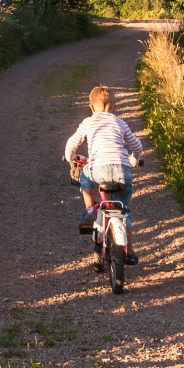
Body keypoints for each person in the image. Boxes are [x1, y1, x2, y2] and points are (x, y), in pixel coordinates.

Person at [63, 85, 143, 264]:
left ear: (91, 107)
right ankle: (129, 251)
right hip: (122, 171)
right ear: (115, 108)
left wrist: (70, 159)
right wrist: (134, 160)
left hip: (97, 169)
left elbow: (71, 144)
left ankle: (90, 208)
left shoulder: (88, 122)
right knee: (124, 211)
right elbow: (137, 146)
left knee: (85, 176)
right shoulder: (120, 122)